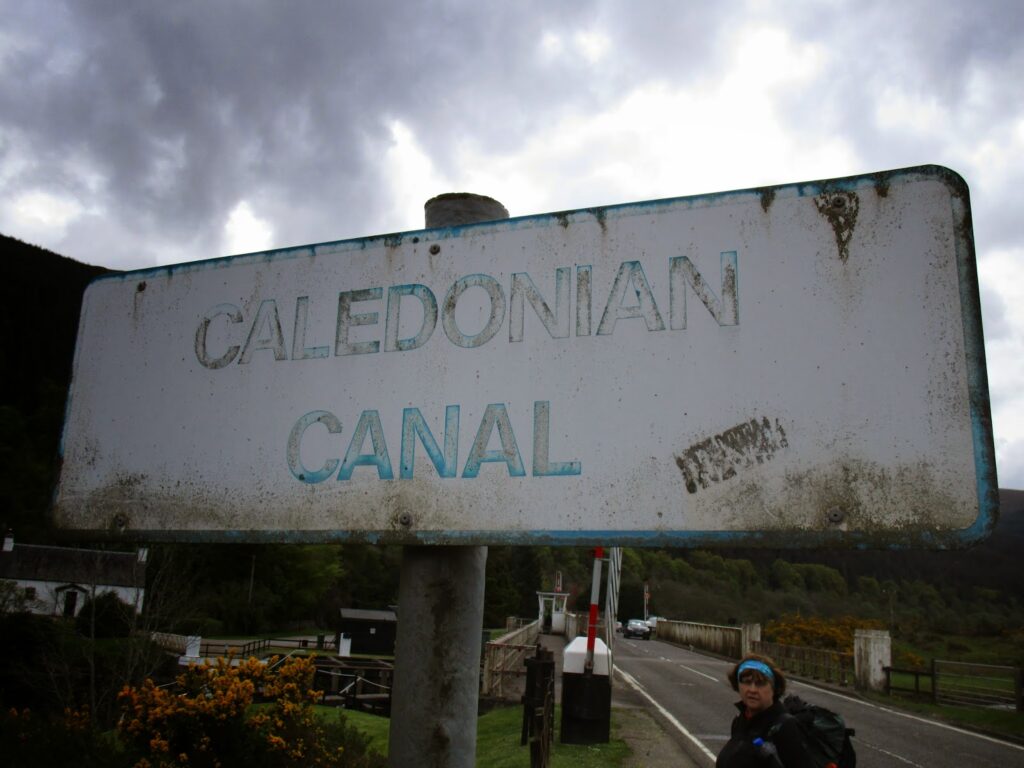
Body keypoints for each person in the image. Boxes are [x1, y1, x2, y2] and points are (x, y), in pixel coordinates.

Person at [715, 654, 813, 768]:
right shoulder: (740, 721)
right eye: (746, 682)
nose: (752, 689)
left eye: (760, 683)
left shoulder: (785, 726)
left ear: (774, 687)